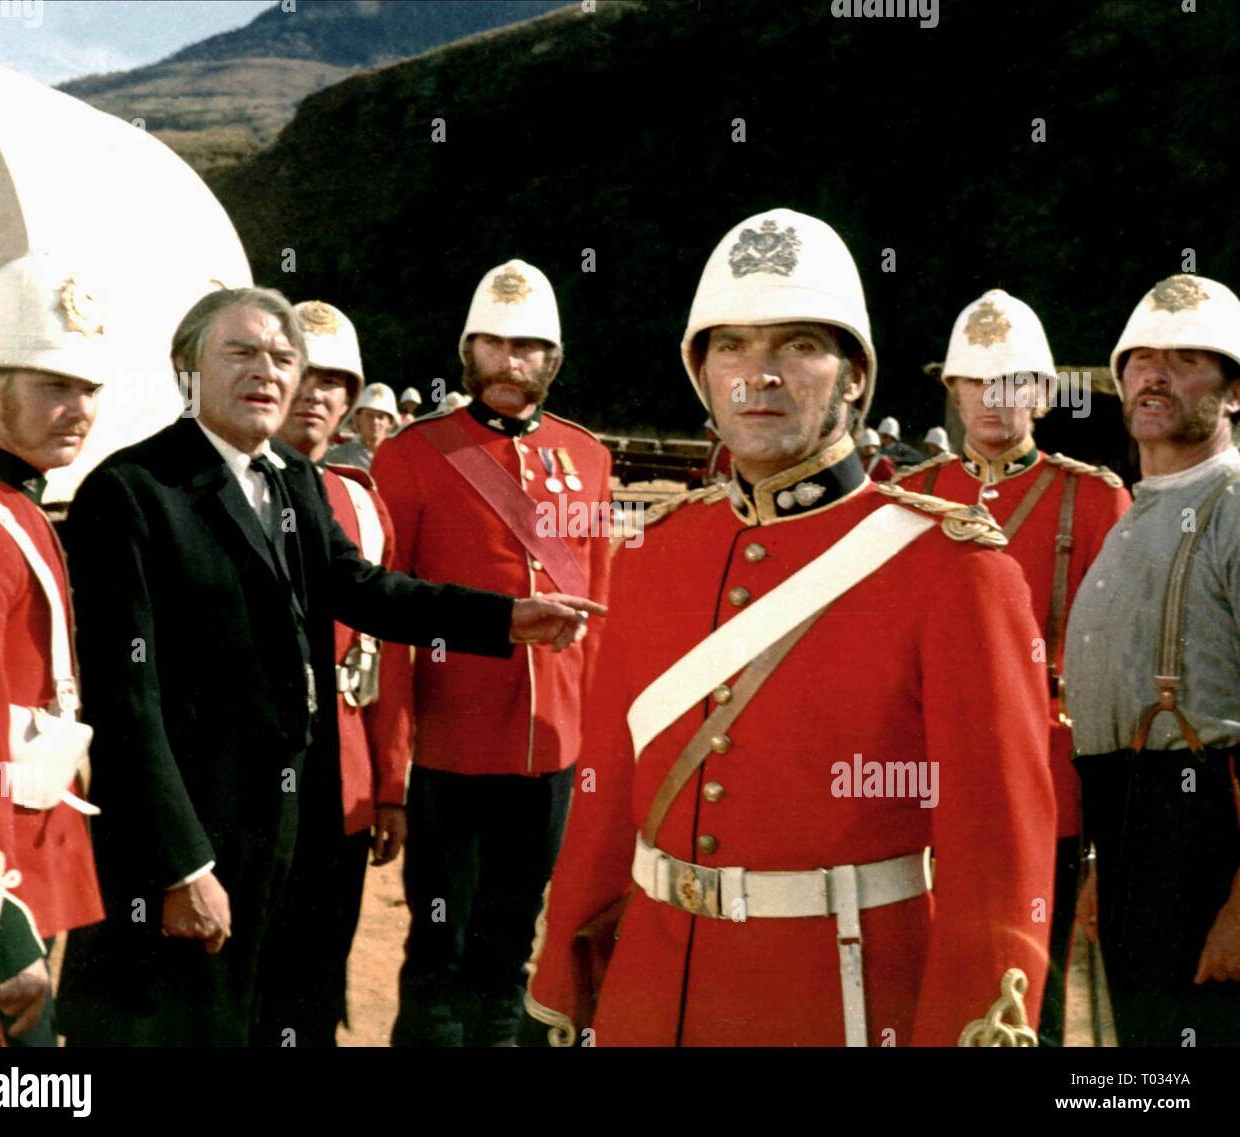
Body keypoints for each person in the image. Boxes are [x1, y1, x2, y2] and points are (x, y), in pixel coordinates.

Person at [522, 209, 1056, 1047]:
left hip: (840, 999)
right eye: (730, 346)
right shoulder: (656, 554)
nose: (757, 376)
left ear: (852, 376)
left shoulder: (956, 570)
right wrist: (565, 978)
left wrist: (971, 1027)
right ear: (701, 371)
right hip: (651, 997)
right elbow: (607, 788)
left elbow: (994, 852)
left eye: (799, 345)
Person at [55, 286, 603, 1046]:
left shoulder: (289, 476)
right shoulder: (133, 492)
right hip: (183, 832)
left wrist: (506, 618)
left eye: (283, 358)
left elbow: (367, 590)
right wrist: (180, 867)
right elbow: (125, 703)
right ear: (188, 370)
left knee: (262, 1015)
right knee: (166, 1024)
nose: (268, 373)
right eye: (241, 353)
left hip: (280, 826)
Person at [373, 259, 613, 1047]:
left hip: (552, 751)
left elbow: (602, 623)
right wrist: (392, 769)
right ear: (467, 351)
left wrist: (597, 757)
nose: (511, 364)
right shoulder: (411, 456)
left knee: (513, 952)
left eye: (530, 348)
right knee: (438, 954)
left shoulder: (591, 458)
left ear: (556, 359)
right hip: (450, 753)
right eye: (495, 345)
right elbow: (392, 622)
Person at [893, 288, 1130, 1045]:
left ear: (1042, 393)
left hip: (1046, 781)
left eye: (1014, 383)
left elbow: (1114, 668)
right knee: (920, 974)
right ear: (953, 390)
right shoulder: (909, 495)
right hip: (917, 779)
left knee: (1034, 987)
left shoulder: (1091, 500)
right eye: (977, 383)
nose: (994, 401)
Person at [1066, 273, 1240, 1046]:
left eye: (1187, 359)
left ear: (1234, 393)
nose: (1155, 375)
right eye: (1140, 359)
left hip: (1210, 846)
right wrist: (1114, 861)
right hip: (1139, 837)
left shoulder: (1233, 505)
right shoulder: (1136, 516)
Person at [0, 254, 108, 1046]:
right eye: (52, 385)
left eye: (87, 389)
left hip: (17, 870)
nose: (78, 408)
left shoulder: (15, 507)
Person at [253, 299, 404, 1044]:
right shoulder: (218, 488)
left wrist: (392, 787)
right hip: (248, 784)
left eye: (336, 380)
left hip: (343, 781)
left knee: (318, 972)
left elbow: (388, 655)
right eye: (304, 373)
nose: (316, 392)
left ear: (351, 399)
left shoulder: (363, 503)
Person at [327, 381, 399, 472]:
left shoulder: (400, 458)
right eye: (369, 415)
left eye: (381, 417)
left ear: (390, 423)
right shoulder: (340, 455)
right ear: (358, 419)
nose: (375, 421)